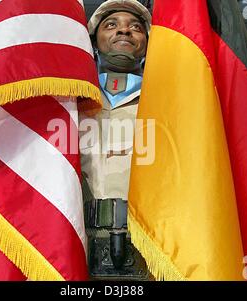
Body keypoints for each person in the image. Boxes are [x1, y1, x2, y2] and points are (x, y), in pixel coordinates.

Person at [79, 0, 151, 280]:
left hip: (147, 246)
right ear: (94, 41)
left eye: (136, 28)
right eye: (111, 25)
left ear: (146, 44)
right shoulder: (68, 102)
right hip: (75, 242)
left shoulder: (168, 103)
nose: (124, 32)